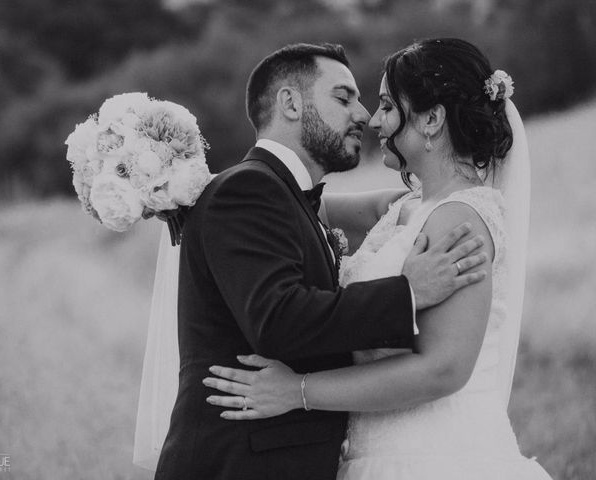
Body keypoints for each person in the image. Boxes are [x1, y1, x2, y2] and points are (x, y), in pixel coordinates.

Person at [203, 39, 554, 479]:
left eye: (387, 105)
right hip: (374, 450)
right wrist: (177, 181)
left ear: (431, 119)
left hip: (435, 456)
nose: (374, 120)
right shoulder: (403, 208)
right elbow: (287, 201)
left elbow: (443, 369)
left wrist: (298, 391)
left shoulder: (461, 219)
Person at [136, 43, 489, 480]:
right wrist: (409, 292)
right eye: (344, 98)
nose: (363, 115)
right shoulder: (248, 190)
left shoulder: (287, 197)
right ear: (290, 103)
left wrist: (442, 195)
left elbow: (396, 207)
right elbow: (281, 318)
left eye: (368, 102)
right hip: (239, 464)